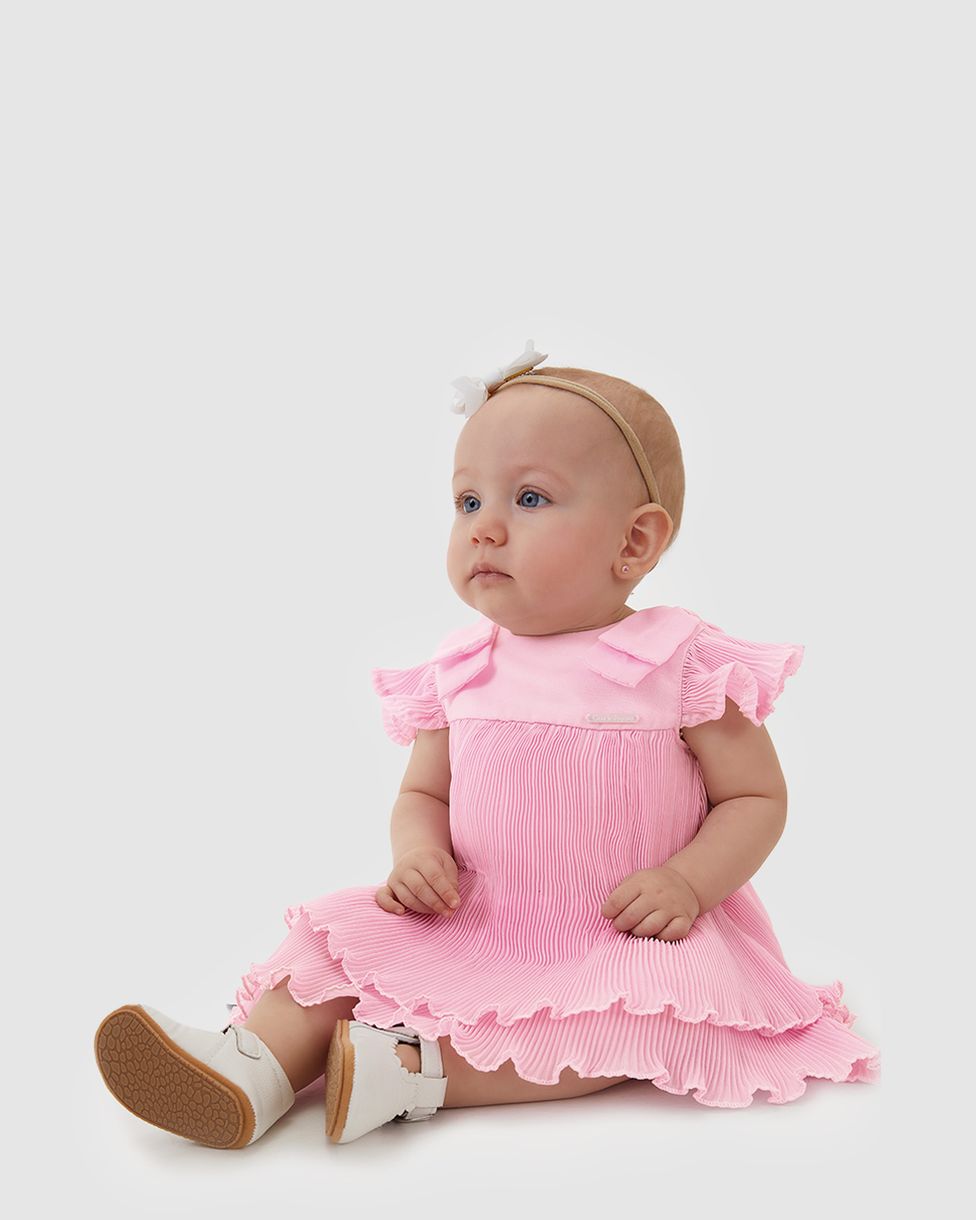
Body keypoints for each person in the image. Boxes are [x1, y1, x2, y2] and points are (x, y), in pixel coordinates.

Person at [94, 340, 881, 1149]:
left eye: (530, 498)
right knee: (334, 938)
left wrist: (688, 881)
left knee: (631, 1016)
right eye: (467, 502)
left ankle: (414, 1069)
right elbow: (424, 792)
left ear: (635, 543)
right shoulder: (463, 668)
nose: (485, 529)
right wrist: (417, 854)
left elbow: (755, 796)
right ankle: (252, 1068)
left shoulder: (675, 663)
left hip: (618, 935)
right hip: (475, 919)